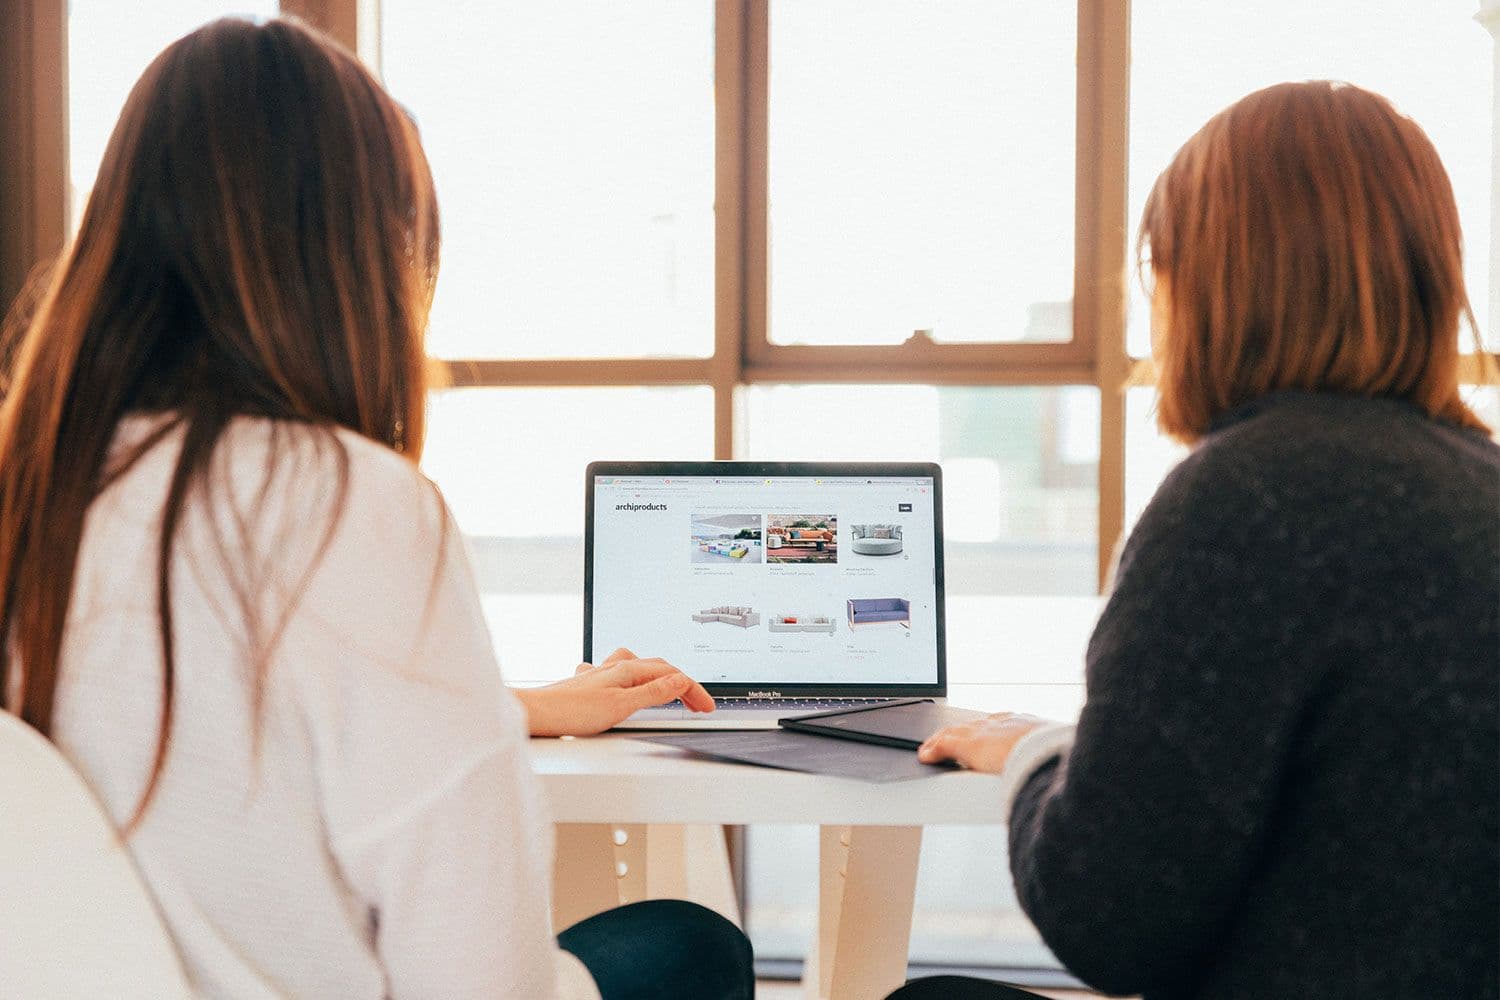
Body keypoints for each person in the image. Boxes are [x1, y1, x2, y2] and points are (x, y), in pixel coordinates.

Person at [0, 17, 750, 999]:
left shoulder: (33, 476)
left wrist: (511, 706)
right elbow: (483, 978)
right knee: (693, 947)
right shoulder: (346, 501)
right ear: (358, 259)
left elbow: (196, 729)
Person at [894, 81, 1499, 999]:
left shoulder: (1248, 496)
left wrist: (1035, 757)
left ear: (1209, 280)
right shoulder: (1479, 481)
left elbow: (1108, 920)